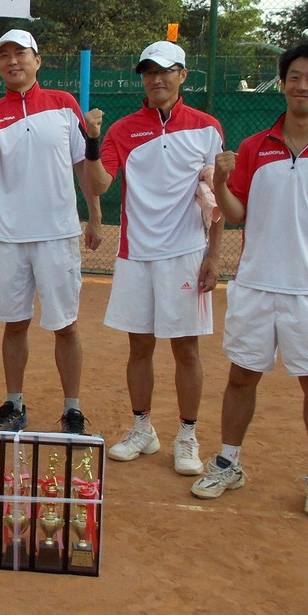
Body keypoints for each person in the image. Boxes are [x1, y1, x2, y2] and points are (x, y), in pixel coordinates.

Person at [191, 38, 308, 519]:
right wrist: (221, 184)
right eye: (294, 77)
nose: (301, 85)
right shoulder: (253, 147)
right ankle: (228, 463)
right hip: (256, 285)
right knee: (241, 376)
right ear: (283, 84)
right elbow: (237, 214)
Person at [0, 30, 105, 435]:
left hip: (58, 233)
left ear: (37, 60)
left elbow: (82, 163)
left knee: (66, 325)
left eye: (19, 53)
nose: (12, 61)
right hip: (9, 236)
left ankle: (72, 409)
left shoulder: (63, 103)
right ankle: (14, 404)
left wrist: (93, 216)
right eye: (3, 56)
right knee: (15, 323)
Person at [100, 41, 225, 476]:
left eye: (165, 70)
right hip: (136, 255)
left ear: (183, 75)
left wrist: (214, 254)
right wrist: (93, 144)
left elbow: (213, 196)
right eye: (149, 71)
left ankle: (187, 436)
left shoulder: (207, 128)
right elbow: (99, 185)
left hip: (187, 254)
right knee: (139, 345)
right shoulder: (121, 129)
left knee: (186, 348)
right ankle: (143, 430)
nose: (156, 78)